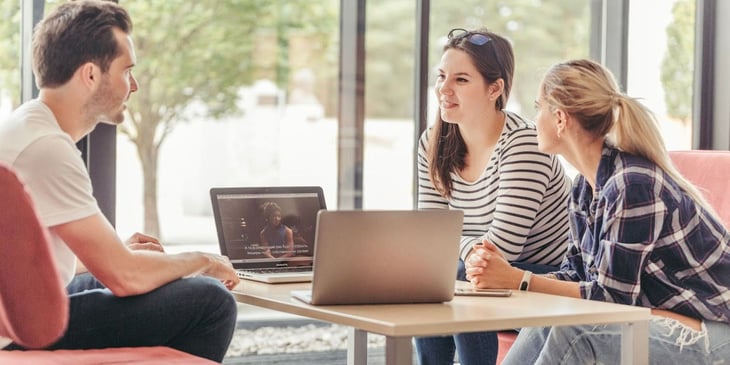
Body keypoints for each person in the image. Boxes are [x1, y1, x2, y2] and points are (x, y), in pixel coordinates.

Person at [0, 1, 240, 362]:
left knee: (158, 276)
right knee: (211, 301)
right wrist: (202, 259)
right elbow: (125, 277)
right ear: (91, 75)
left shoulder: (30, 126)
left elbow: (36, 262)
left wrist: (120, 253)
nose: (135, 85)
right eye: (127, 71)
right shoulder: (47, 147)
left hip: (15, 309)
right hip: (15, 329)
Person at [466, 59, 730, 364]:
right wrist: (503, 279)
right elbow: (573, 275)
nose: (534, 118)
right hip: (668, 321)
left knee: (574, 331)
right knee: (547, 319)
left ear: (560, 118)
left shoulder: (632, 184)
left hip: (715, 332)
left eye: (539, 108)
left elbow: (613, 299)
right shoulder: (583, 189)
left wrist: (520, 279)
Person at [415, 27, 572, 365]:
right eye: (442, 76)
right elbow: (428, 235)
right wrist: (470, 247)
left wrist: (463, 247)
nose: (443, 89)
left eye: (461, 80)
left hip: (547, 276)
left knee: (459, 273)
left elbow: (502, 250)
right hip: (476, 269)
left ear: (495, 88)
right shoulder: (433, 142)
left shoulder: (525, 143)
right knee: (430, 272)